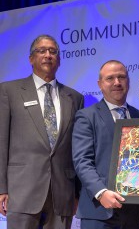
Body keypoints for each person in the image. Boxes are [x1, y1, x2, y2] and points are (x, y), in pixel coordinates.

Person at [0, 34, 84, 229]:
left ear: (59, 60)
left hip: (62, 193)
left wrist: (76, 193)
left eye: (53, 51)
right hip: (22, 191)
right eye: (42, 51)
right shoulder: (9, 91)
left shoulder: (74, 97)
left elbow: (77, 148)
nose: (48, 55)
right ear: (31, 59)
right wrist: (1, 188)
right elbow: (1, 141)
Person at [72, 60, 139, 229]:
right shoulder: (86, 116)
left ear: (128, 81)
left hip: (132, 211)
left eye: (121, 77)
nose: (117, 82)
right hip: (99, 210)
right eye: (110, 78)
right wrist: (101, 192)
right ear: (100, 84)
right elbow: (82, 161)